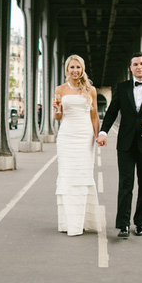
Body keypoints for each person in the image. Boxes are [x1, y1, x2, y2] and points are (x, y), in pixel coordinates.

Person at [96, 52, 142, 238]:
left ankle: (140, 223)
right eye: (135, 64)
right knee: (125, 184)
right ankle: (123, 225)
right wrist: (103, 132)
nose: (138, 67)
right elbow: (112, 112)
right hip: (125, 144)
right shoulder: (122, 88)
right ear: (130, 68)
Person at [52, 54, 101, 236]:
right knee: (67, 176)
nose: (75, 71)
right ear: (67, 69)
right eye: (72, 67)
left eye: (78, 67)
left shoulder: (91, 90)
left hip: (84, 136)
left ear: (82, 69)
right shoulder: (60, 90)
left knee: (82, 176)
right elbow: (58, 117)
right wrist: (56, 110)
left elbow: (94, 115)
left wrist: (98, 136)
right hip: (66, 136)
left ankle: (82, 221)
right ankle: (68, 222)